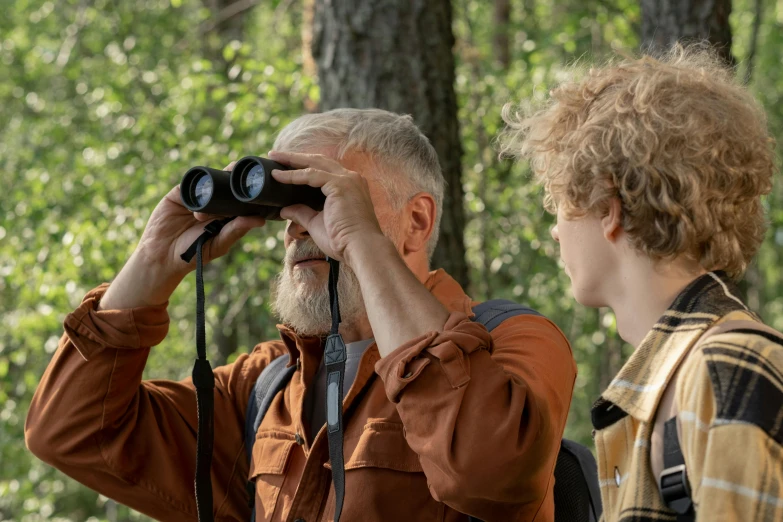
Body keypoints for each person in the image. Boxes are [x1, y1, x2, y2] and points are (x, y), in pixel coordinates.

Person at [26, 108, 576, 522]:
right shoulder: (265, 384)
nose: (296, 229)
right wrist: (150, 263)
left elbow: (490, 470)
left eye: (320, 199)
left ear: (416, 220)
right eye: (283, 210)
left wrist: (358, 240)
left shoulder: (512, 343)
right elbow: (71, 432)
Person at [500, 46, 783, 521]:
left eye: (560, 204)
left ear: (608, 206)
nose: (555, 230)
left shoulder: (728, 366)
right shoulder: (670, 383)